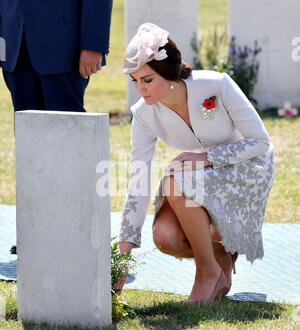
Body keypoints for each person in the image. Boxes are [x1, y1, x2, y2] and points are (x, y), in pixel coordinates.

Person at [117, 23, 274, 305]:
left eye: (148, 80)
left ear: (168, 73)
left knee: (177, 179)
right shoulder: (142, 114)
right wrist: (123, 254)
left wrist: (206, 158)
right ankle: (220, 254)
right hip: (201, 176)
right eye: (135, 80)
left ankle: (207, 272)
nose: (140, 89)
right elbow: (138, 178)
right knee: (165, 236)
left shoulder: (216, 84)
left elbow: (260, 142)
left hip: (246, 168)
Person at [0, 0, 113, 254]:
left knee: (70, 144)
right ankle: (35, 229)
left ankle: (78, 230)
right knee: (29, 146)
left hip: (64, 48)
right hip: (15, 47)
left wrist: (94, 44)